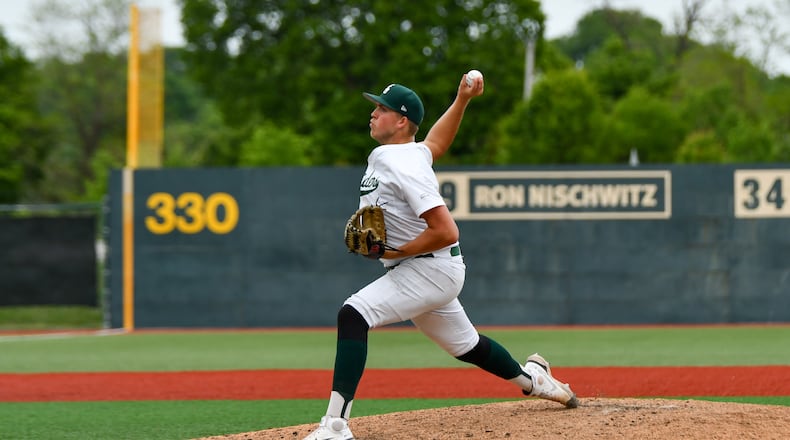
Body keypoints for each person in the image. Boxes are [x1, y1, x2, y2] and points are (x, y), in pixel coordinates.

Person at [303, 74, 578, 440]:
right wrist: (462, 99)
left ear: (401, 121)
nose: (373, 114)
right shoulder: (411, 154)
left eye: (381, 109)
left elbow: (447, 231)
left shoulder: (399, 162)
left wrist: (397, 250)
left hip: (428, 268)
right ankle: (535, 380)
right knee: (468, 346)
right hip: (428, 268)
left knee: (353, 314)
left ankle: (335, 426)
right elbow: (435, 142)